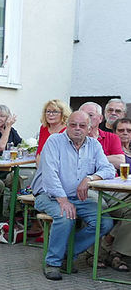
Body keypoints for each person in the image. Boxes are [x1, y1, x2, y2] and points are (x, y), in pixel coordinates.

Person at [31, 110, 115, 280]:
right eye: (73, 124)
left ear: (89, 128)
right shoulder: (54, 141)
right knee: (65, 216)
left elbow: (108, 169)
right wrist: (63, 200)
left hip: (77, 197)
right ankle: (52, 263)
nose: (77, 129)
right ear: (67, 125)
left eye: (82, 126)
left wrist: (90, 178)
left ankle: (67, 253)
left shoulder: (94, 145)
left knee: (104, 222)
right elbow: (50, 175)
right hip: (48, 195)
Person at [101, 116, 131, 272]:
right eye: (121, 130)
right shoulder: (110, 149)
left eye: (129, 130)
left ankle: (114, 249)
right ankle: (115, 252)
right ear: (113, 132)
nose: (125, 133)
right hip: (111, 193)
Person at [79, 102, 123, 170]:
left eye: (90, 115)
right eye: (82, 115)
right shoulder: (71, 137)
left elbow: (120, 161)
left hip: (107, 179)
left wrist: (87, 159)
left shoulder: (111, 137)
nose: (86, 118)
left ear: (100, 118)